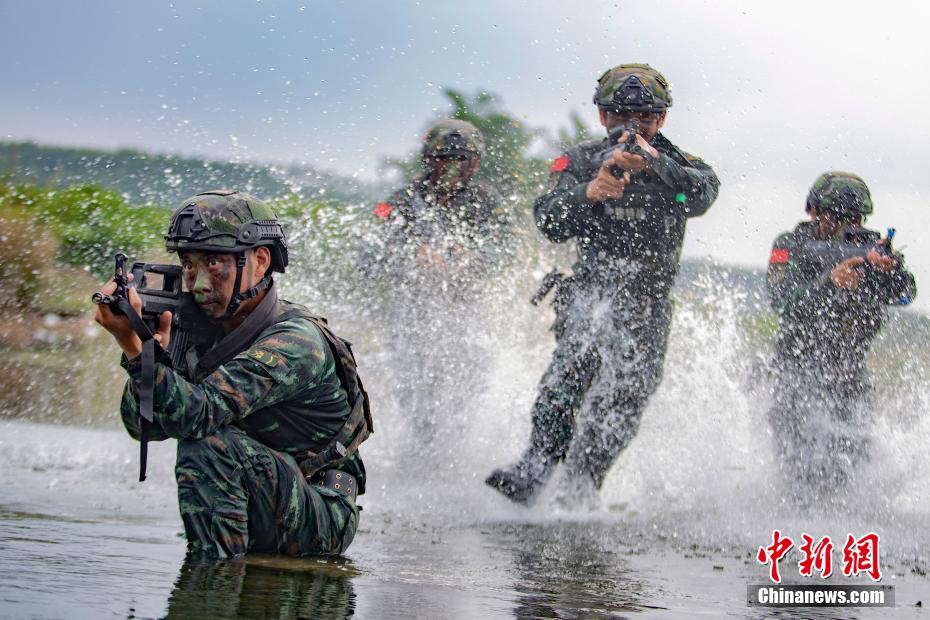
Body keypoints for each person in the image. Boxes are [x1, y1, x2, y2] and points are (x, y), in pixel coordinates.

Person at [486, 63, 720, 504]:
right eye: (620, 114)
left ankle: (583, 483)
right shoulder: (579, 161)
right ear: (602, 117)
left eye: (646, 117)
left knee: (629, 396)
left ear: (662, 119)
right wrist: (588, 193)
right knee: (566, 379)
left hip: (647, 305)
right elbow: (549, 220)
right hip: (590, 294)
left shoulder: (683, 167)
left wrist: (655, 166)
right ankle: (535, 469)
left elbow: (702, 195)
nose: (633, 125)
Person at [94, 190, 371, 558]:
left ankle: (213, 584)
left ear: (259, 261)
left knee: (206, 446)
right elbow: (145, 425)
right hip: (271, 493)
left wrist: (132, 348)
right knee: (207, 444)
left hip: (321, 512)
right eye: (189, 264)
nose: (198, 284)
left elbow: (197, 416)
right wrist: (149, 351)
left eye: (214, 262)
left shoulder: (296, 342)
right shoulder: (208, 328)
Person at [765, 172, 916, 495]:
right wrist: (828, 283)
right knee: (798, 471)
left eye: (854, 219)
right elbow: (781, 300)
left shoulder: (872, 252)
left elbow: (905, 294)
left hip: (849, 377)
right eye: (836, 218)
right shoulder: (791, 245)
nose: (846, 227)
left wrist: (884, 273)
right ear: (814, 211)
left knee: (849, 470)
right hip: (796, 371)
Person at [365, 119, 511, 441]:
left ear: (476, 163)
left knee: (468, 387)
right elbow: (366, 254)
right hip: (413, 313)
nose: (454, 169)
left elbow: (509, 248)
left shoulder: (487, 201)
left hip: (468, 312)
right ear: (429, 159)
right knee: (417, 395)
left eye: (463, 160)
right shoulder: (402, 201)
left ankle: (458, 447)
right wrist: (410, 255)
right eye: (446, 159)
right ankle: (422, 450)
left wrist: (472, 255)